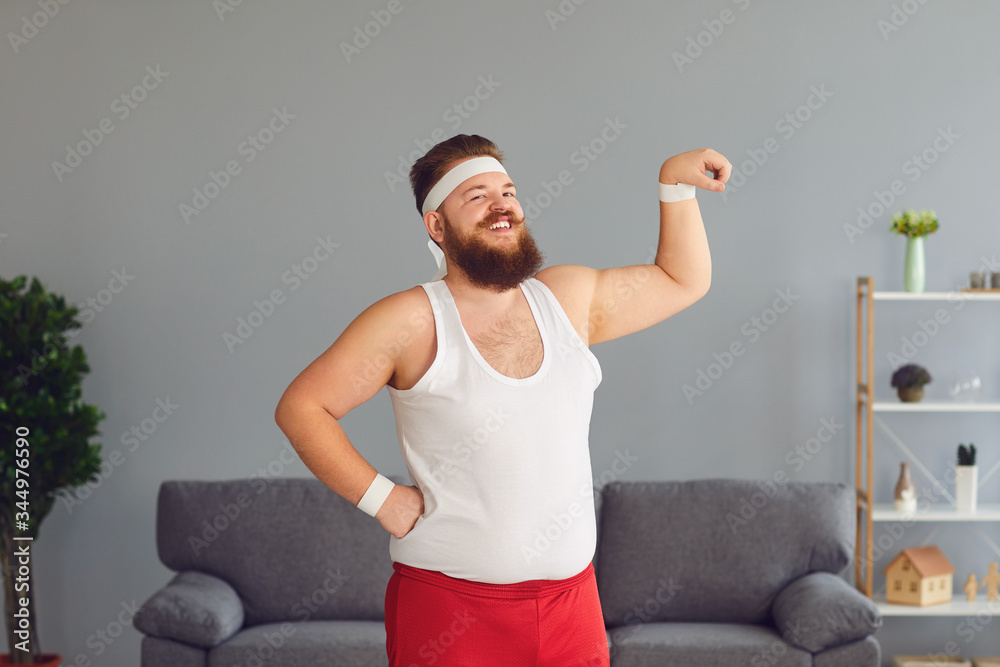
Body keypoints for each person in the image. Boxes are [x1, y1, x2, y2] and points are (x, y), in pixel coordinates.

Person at [274, 134, 730, 666]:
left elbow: (681, 280)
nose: (502, 205)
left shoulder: (567, 300)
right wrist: (382, 499)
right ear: (436, 226)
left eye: (508, 192)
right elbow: (302, 407)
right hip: (450, 610)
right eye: (477, 196)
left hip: (572, 609)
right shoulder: (409, 322)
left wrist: (674, 185)